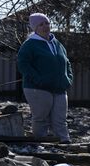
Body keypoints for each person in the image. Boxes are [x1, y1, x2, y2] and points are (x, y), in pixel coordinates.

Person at [17, 13, 73, 143]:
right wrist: (38, 79)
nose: (45, 26)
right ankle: (40, 145)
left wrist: (68, 79)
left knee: (60, 119)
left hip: (59, 88)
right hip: (38, 88)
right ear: (35, 28)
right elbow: (23, 64)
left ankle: (65, 144)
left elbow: (67, 62)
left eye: (46, 23)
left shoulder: (57, 43)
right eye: (41, 24)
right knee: (41, 119)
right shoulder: (30, 44)